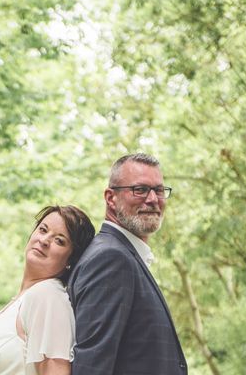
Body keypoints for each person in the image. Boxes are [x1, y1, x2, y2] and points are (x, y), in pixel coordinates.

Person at [68, 153, 188, 375]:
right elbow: (92, 365)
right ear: (111, 198)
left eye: (159, 190)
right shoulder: (111, 259)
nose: (153, 199)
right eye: (140, 190)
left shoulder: (123, 255)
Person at [0, 205, 96, 375]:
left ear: (70, 259)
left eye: (59, 240)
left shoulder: (47, 296)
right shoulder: (24, 298)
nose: (44, 240)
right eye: (43, 230)